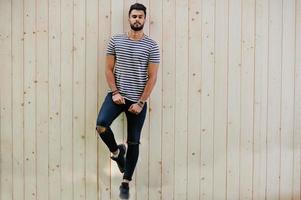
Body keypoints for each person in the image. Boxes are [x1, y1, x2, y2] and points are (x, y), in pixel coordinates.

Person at [96, 3, 160, 199]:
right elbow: (108, 69)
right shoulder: (116, 41)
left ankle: (125, 182)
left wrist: (141, 102)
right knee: (101, 125)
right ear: (129, 18)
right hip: (117, 96)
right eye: (134, 16)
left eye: (140, 16)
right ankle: (117, 152)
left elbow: (152, 77)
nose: (137, 20)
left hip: (137, 101)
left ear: (145, 19)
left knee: (134, 142)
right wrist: (115, 91)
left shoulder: (152, 46)